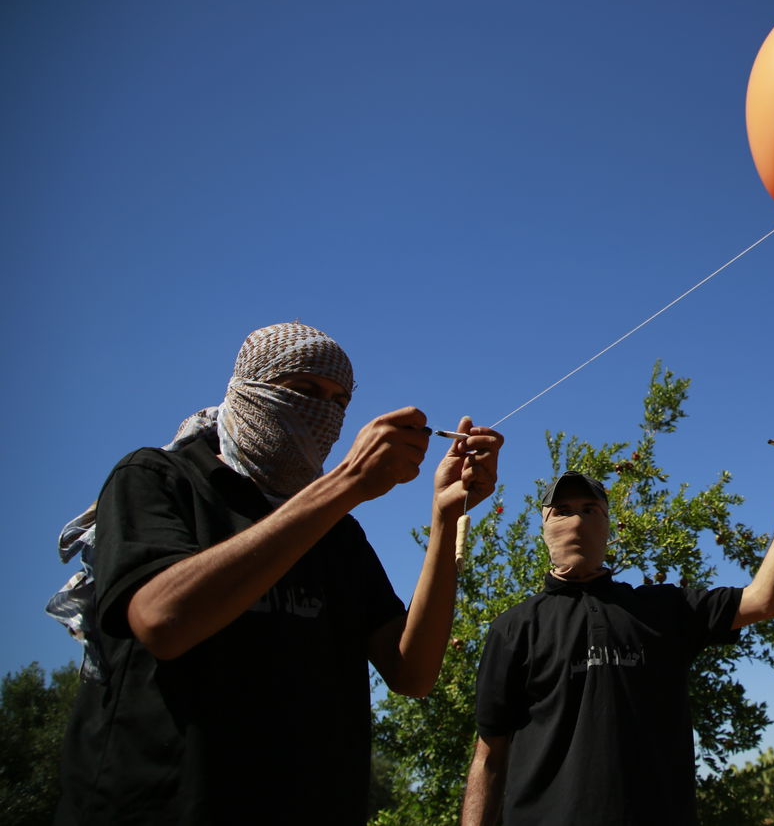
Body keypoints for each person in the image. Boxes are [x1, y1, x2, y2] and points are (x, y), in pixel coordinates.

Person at [53, 322, 504, 825]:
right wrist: (349, 481)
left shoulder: (337, 533)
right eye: (304, 390)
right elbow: (163, 619)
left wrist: (445, 515)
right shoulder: (160, 478)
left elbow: (412, 674)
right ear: (250, 387)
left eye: (337, 401)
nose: (322, 411)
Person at [459, 438, 774, 826]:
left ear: (607, 524)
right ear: (544, 527)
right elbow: (489, 756)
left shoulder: (664, 609)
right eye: (562, 511)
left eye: (589, 509)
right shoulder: (514, 627)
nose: (576, 521)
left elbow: (763, 600)